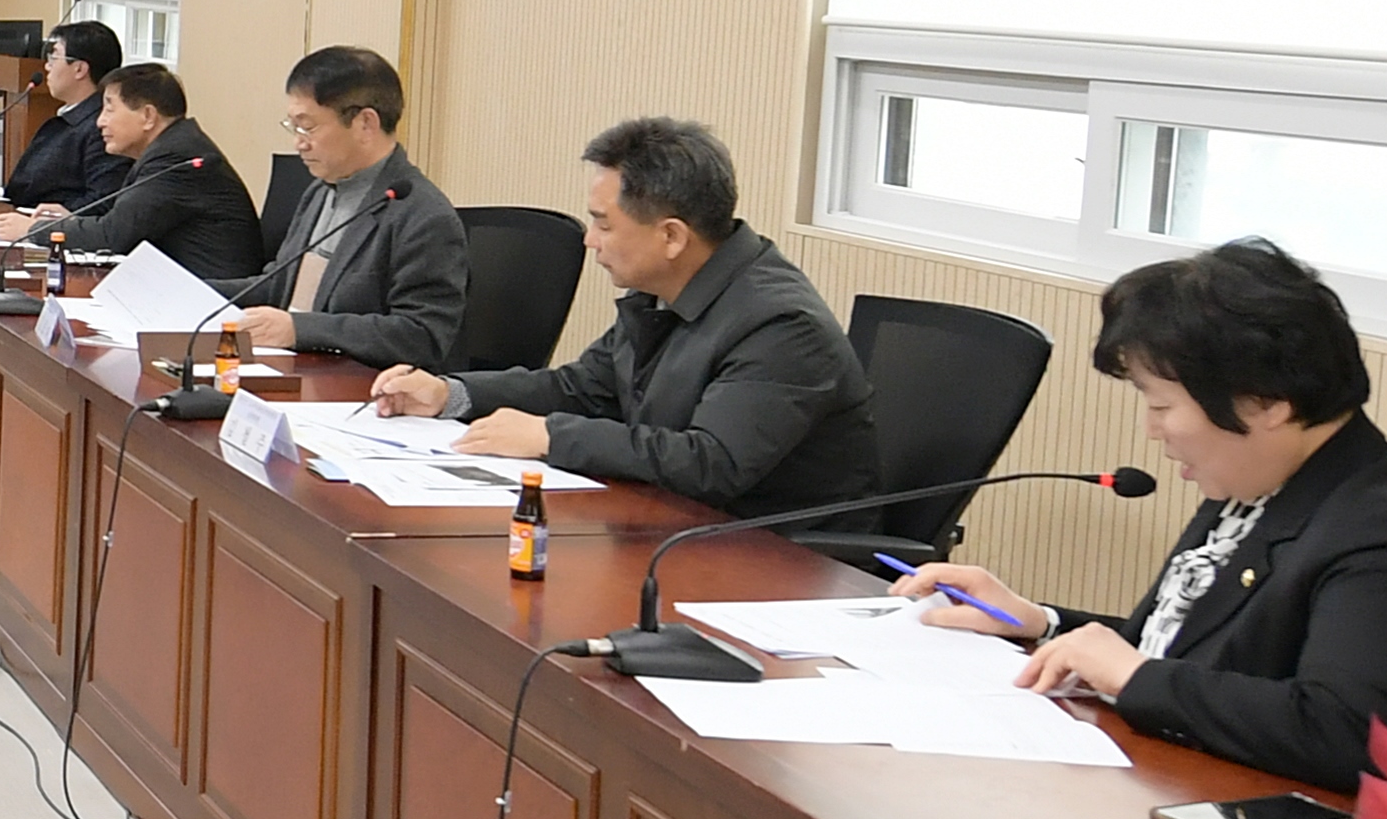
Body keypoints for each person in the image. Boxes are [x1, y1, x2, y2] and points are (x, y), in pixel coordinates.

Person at [897, 240, 1387, 791]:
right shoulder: (1258, 484)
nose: (1153, 430)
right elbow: (1195, 651)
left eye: (1162, 405)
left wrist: (1133, 678)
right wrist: (1039, 624)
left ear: (1265, 402)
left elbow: (1348, 735)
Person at [366, 115, 874, 515]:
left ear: (671, 236)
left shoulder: (781, 325)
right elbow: (584, 387)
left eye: (604, 226)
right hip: (668, 521)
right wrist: (451, 394)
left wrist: (551, 436)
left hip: (773, 556)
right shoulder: (664, 289)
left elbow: (711, 463)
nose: (589, 241)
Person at [223, 46, 467, 368]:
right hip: (289, 369)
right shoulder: (320, 192)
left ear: (365, 123)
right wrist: (187, 290)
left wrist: (299, 330)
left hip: (352, 389)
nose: (299, 142)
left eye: (308, 127)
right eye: (293, 127)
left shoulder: (422, 215)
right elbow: (280, 284)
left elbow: (420, 336)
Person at [45, 64, 265, 281]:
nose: (100, 121)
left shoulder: (177, 159)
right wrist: (71, 221)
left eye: (109, 109)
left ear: (148, 116)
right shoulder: (171, 148)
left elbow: (112, 236)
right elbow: (122, 222)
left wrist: (37, 230)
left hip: (208, 299)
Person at [3, 22, 132, 213]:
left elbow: (102, 201)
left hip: (52, 233)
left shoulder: (102, 128)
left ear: (79, 69)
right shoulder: (69, 118)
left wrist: (45, 216)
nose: (47, 66)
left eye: (54, 57)